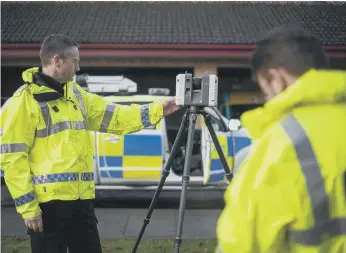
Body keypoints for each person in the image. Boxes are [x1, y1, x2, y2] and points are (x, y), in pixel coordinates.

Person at [0, 34, 181, 253]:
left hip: (81, 203)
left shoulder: (78, 96)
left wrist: (158, 110)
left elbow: (117, 117)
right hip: (46, 207)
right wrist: (28, 208)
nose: (78, 68)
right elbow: (12, 158)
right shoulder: (23, 101)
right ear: (57, 61)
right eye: (75, 61)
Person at [216, 25, 346, 253]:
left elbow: (241, 244)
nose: (267, 100)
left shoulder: (279, 146)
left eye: (265, 92)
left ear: (277, 78)